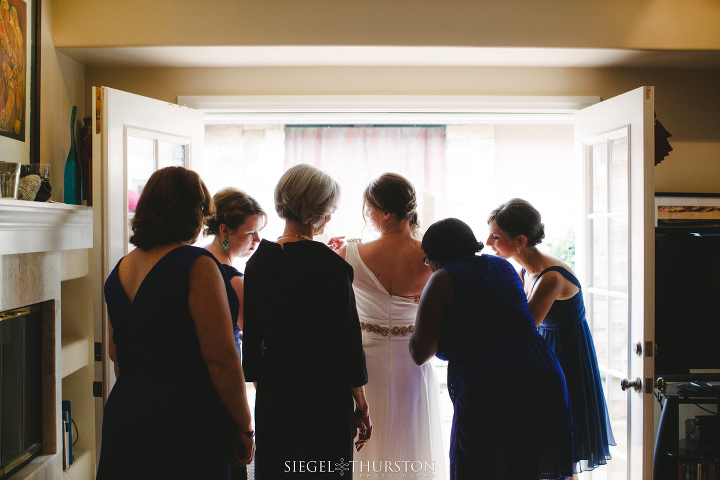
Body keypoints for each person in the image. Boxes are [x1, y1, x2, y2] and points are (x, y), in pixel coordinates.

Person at [97, 167, 254, 480]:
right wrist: (245, 426)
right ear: (191, 213)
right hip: (185, 418)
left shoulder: (121, 269)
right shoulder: (197, 265)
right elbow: (221, 359)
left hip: (126, 413)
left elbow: (116, 353)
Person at [410, 218, 574, 480]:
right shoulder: (502, 266)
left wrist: (415, 318)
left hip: (490, 384)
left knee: (481, 467)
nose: (427, 264)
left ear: (436, 256)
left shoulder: (441, 278)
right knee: (529, 467)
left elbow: (420, 352)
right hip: (540, 373)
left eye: (427, 258)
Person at [242, 164, 371, 479]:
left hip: (275, 392)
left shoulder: (258, 262)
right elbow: (347, 342)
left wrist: (268, 386)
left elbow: (252, 341)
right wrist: (362, 403)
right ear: (323, 213)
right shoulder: (331, 266)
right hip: (324, 393)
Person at [487, 198, 615, 476]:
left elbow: (523, 326)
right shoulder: (524, 270)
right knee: (543, 440)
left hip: (567, 358)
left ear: (519, 240)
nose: (488, 242)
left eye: (496, 236)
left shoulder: (551, 277)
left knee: (563, 443)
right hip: (545, 352)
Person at [337, 173, 446, 480]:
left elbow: (334, 308)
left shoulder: (351, 253)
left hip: (365, 362)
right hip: (413, 359)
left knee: (369, 441)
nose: (367, 214)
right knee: (410, 434)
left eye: (368, 207)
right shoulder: (431, 256)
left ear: (385, 212)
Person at [203, 187, 267, 351]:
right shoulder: (234, 282)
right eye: (251, 233)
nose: (258, 239)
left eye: (258, 231)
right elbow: (256, 335)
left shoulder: (198, 258)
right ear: (225, 230)